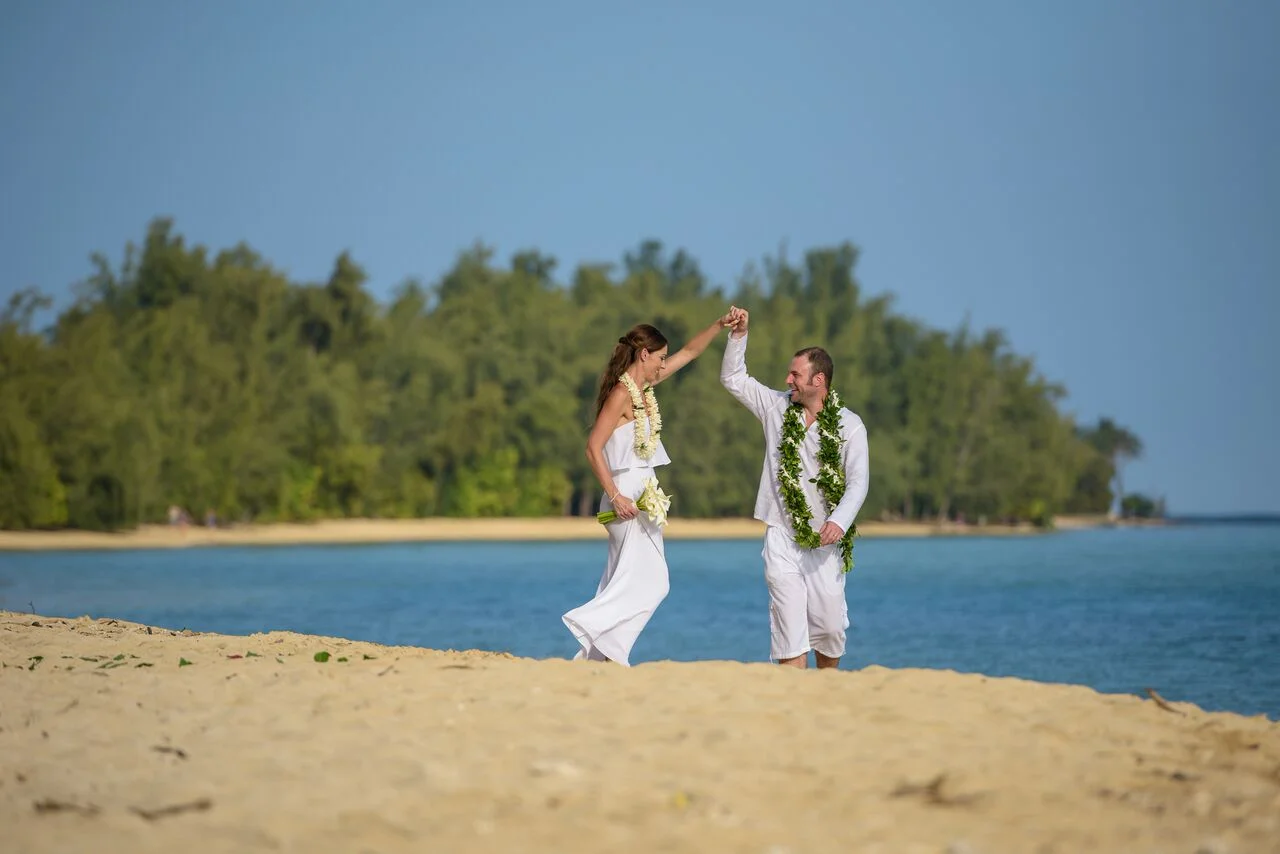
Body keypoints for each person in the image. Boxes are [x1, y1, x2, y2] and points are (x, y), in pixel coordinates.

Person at [563, 313, 736, 665]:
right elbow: (592, 447)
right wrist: (615, 495)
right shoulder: (621, 394)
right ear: (644, 354)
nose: (662, 365)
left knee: (623, 579)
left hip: (645, 489)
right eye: (659, 357)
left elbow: (688, 353)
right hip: (625, 491)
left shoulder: (644, 389)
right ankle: (589, 623)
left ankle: (600, 658)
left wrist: (718, 326)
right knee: (654, 582)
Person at [720, 306, 870, 669]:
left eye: (796, 374)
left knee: (830, 628)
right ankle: (793, 699)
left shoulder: (850, 426)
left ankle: (826, 693)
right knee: (788, 626)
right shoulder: (775, 408)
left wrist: (839, 522)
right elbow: (734, 379)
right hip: (781, 535)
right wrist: (739, 336)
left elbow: (858, 482)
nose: (788, 379)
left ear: (819, 380)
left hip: (824, 540)